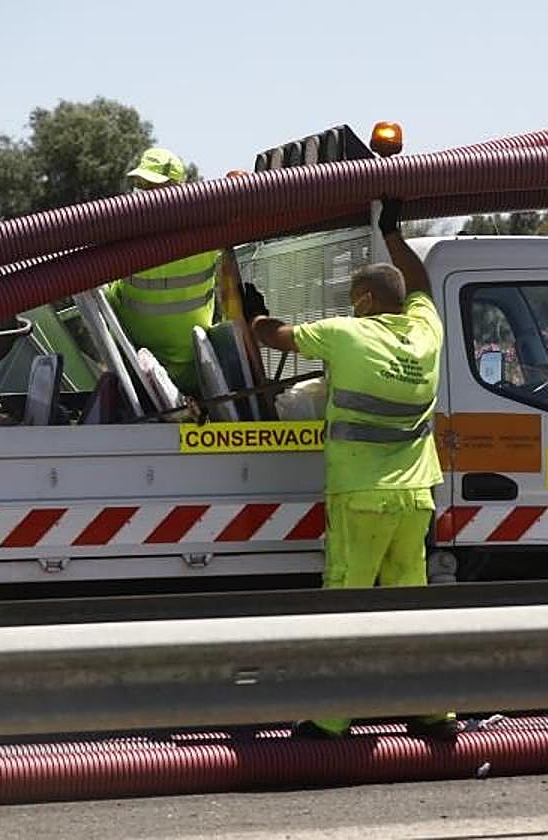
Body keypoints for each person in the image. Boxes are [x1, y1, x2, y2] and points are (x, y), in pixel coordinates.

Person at [251, 198, 456, 742]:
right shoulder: (425, 334)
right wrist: (394, 233)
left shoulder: (346, 332)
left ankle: (332, 718)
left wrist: (252, 312)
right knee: (410, 602)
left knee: (346, 599)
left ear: (363, 301)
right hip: (416, 497)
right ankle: (433, 711)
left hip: (361, 497)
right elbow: (422, 287)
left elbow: (277, 337)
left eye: (351, 299)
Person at [105, 148, 220, 394]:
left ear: (177, 189)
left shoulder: (128, 240)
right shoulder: (206, 234)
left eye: (153, 187)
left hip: (151, 373)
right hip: (150, 368)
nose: (145, 195)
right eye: (141, 186)